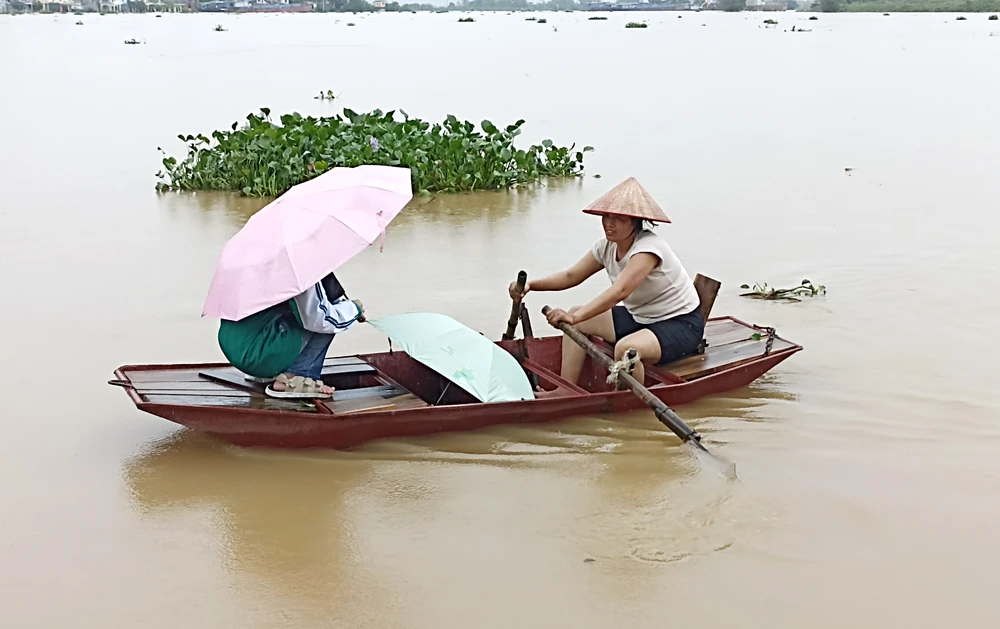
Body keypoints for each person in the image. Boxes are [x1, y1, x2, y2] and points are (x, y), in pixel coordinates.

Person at [509, 177, 703, 397]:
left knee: (625, 349)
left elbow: (620, 292)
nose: (609, 224)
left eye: (618, 218)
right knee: (576, 317)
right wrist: (531, 285)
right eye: (606, 216)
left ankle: (628, 403)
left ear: (635, 221)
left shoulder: (649, 249)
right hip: (639, 318)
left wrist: (576, 317)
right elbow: (571, 276)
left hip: (679, 324)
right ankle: (566, 390)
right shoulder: (606, 247)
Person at [217, 272, 366, 399]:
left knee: (294, 312)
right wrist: (354, 309)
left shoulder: (252, 263)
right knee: (329, 319)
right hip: (260, 356)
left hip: (235, 348)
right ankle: (295, 378)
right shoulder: (300, 269)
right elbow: (322, 319)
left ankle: (267, 373)